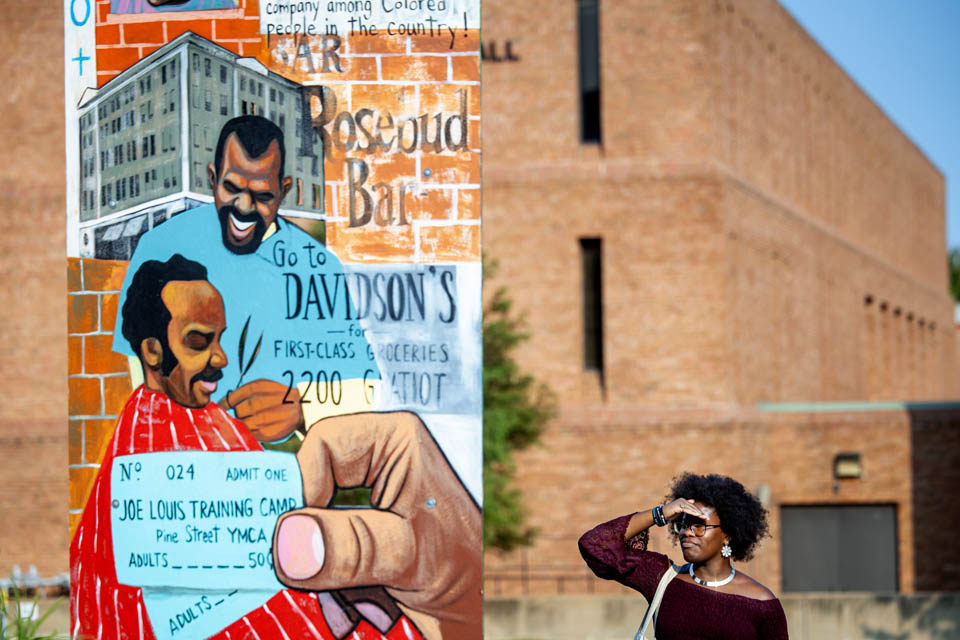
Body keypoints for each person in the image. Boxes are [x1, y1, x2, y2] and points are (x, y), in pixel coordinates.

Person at [74, 255, 480, 639]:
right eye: (198, 341)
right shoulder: (150, 447)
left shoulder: (215, 426)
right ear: (151, 350)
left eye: (220, 339)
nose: (221, 357)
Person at [113, 116, 378, 443]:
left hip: (284, 470)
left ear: (284, 191)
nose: (243, 208)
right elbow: (135, 376)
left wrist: (303, 408)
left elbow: (368, 387)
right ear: (212, 178)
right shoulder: (159, 247)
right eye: (231, 188)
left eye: (262, 195)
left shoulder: (319, 266)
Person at [578, 473, 788, 639]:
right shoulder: (662, 579)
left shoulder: (762, 603)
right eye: (683, 524)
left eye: (698, 525)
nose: (687, 532)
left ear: (727, 534)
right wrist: (660, 513)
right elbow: (594, 544)